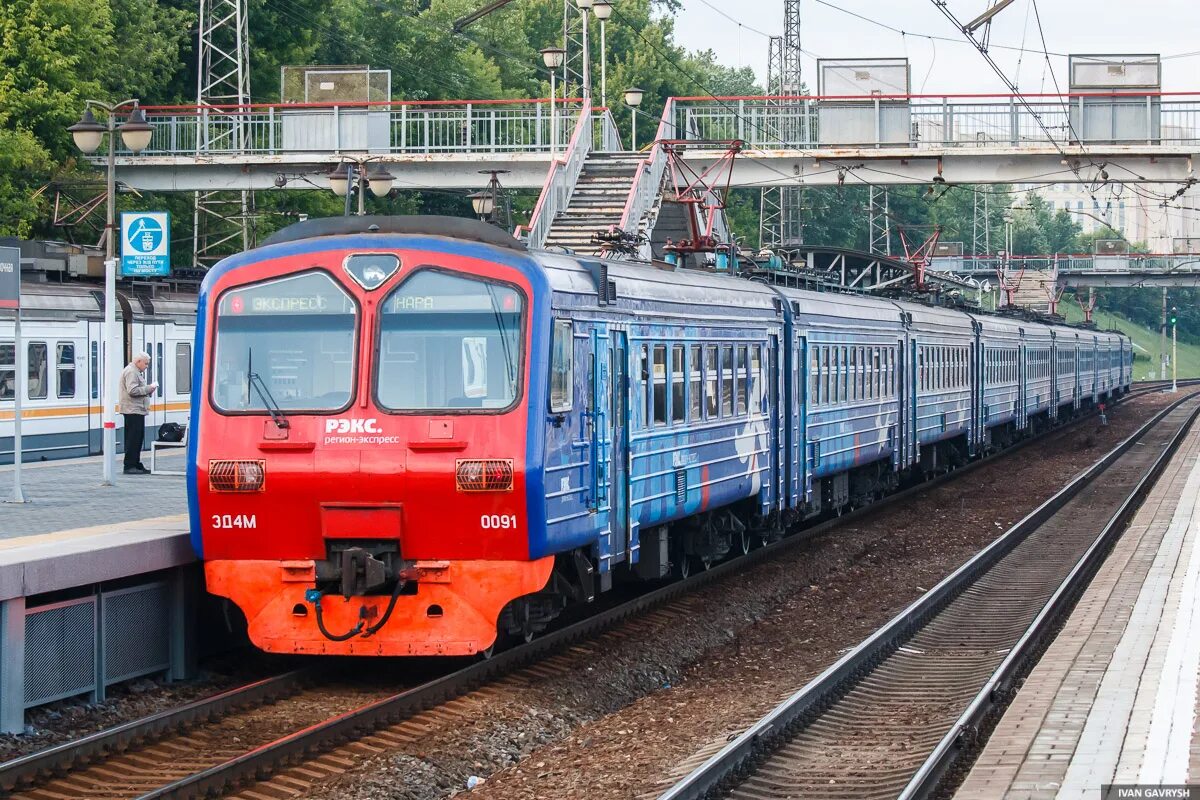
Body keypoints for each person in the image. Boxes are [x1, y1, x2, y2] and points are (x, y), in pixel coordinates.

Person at [119, 352, 158, 475]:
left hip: (135, 410)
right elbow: (132, 390)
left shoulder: (134, 371)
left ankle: (135, 463)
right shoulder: (131, 372)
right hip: (133, 410)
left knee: (137, 438)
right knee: (133, 439)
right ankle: (130, 465)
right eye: (146, 363)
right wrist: (148, 388)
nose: (146, 366)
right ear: (138, 362)